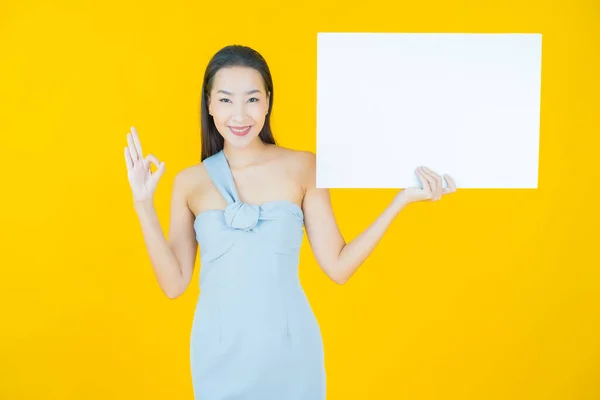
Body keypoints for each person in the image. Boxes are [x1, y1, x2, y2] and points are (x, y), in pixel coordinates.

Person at [124, 44, 457, 399]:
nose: (239, 115)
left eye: (252, 99)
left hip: (291, 351)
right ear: (208, 104)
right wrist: (143, 204)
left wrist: (401, 200)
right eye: (225, 100)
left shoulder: (303, 167)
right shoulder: (189, 183)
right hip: (218, 354)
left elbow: (339, 267)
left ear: (268, 101)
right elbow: (174, 284)